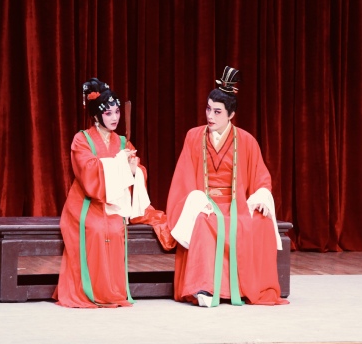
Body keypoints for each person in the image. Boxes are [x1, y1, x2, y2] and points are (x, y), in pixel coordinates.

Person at [166, 66, 289, 307]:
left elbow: (261, 177)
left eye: (217, 111)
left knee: (259, 222)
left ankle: (246, 287)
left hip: (235, 204)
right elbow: (184, 176)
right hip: (205, 203)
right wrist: (197, 201)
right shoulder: (194, 136)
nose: (210, 116)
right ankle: (202, 287)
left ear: (231, 114)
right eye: (208, 109)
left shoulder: (246, 140)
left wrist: (262, 197)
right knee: (203, 222)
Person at [53, 77, 173, 308]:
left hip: (115, 202)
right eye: (108, 113)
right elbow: (87, 171)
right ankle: (91, 290)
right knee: (97, 230)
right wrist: (120, 165)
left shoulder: (122, 142)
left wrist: (135, 170)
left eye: (117, 112)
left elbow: (138, 169)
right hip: (87, 201)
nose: (115, 117)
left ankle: (112, 290)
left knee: (116, 229)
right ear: (96, 116)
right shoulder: (82, 139)